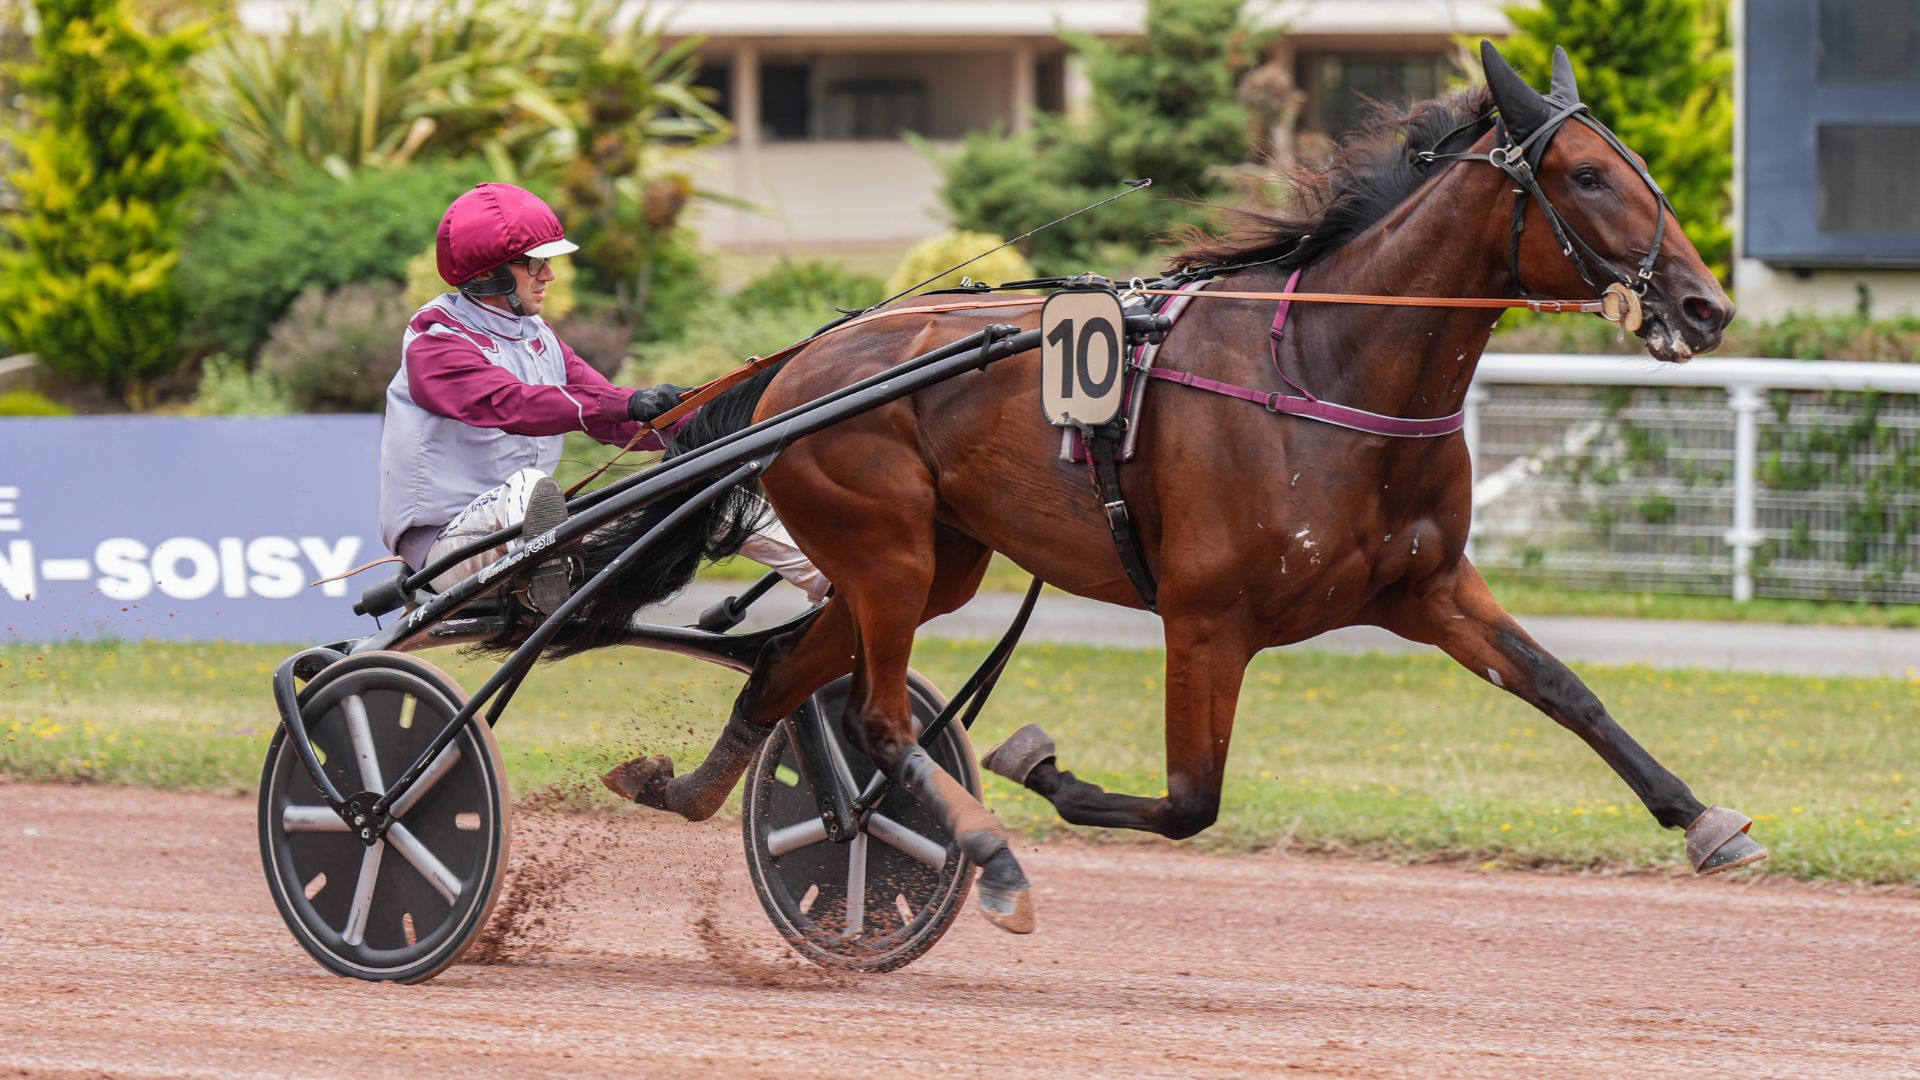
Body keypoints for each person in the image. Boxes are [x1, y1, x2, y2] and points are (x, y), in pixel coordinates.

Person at [378, 182, 828, 613]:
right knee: (531, 489)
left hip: (530, 532)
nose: (549, 274)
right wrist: (625, 404)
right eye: (534, 263)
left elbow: (608, 408)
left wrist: (722, 427)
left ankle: (832, 578)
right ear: (490, 275)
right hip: (449, 551)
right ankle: (547, 585)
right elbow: (513, 405)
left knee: (696, 484)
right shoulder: (436, 344)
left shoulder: (537, 336)